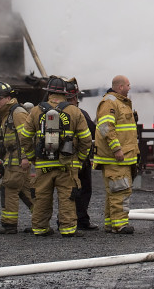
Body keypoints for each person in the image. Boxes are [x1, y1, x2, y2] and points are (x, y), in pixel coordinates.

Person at [21, 76, 92, 237]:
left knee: (41, 196)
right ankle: (67, 229)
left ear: (48, 93)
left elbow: (24, 137)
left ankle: (40, 228)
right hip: (67, 164)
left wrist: (33, 157)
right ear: (66, 94)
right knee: (67, 196)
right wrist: (80, 159)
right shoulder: (74, 111)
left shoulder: (36, 111)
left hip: (43, 164)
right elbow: (86, 139)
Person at [94, 75, 138, 234]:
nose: (129, 87)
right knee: (120, 190)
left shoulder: (120, 103)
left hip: (123, 156)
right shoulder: (110, 102)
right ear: (120, 87)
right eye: (128, 85)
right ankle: (120, 225)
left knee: (113, 191)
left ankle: (110, 223)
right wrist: (116, 149)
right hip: (116, 157)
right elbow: (106, 127)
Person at [0, 81, 33, 235]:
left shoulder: (18, 113)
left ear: (8, 98)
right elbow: (3, 139)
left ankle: (9, 225)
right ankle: (40, 221)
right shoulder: (7, 114)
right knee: (26, 192)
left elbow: (25, 137)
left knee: (9, 189)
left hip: (17, 160)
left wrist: (25, 158)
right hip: (12, 159)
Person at [70, 91, 98, 230]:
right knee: (83, 190)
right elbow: (92, 133)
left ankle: (65, 221)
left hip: (61, 161)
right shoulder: (80, 113)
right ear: (74, 98)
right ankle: (80, 220)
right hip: (80, 160)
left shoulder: (53, 113)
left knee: (66, 192)